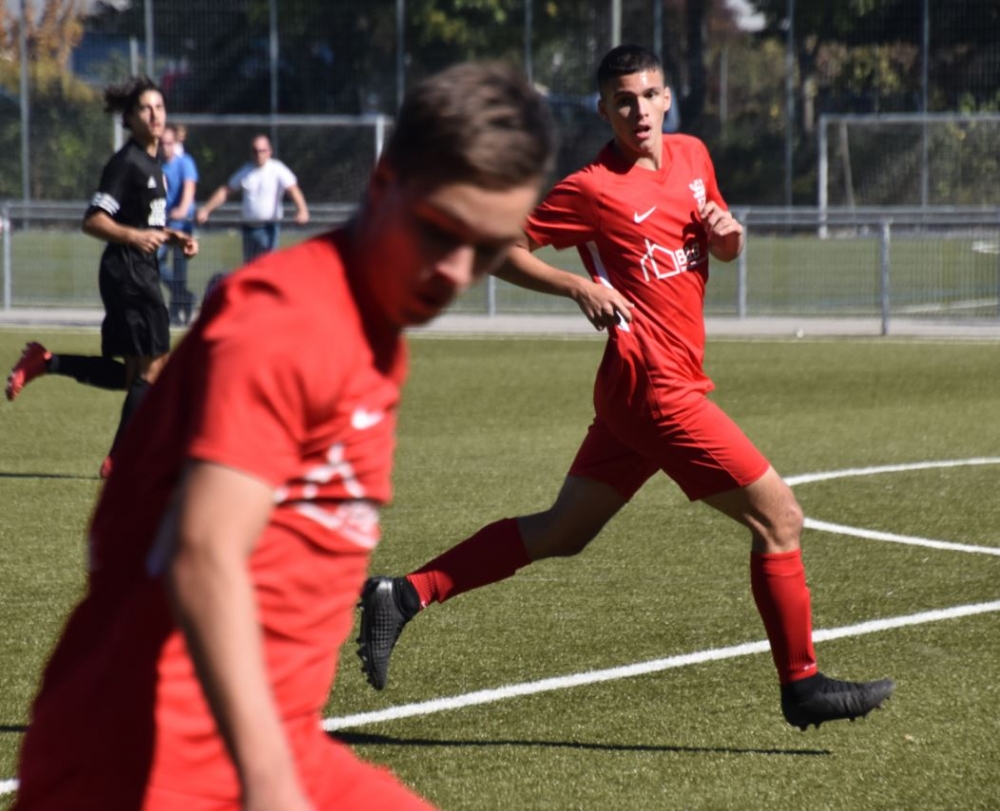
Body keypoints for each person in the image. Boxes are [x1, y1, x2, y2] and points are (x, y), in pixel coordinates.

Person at [13, 61, 555, 810]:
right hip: (152, 761)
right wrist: (271, 785)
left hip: (271, 743)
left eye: (487, 247)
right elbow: (202, 554)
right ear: (385, 182)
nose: (455, 270)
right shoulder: (291, 318)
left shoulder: (372, 329)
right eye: (442, 229)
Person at [357, 45, 894, 732]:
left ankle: (402, 594)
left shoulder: (694, 156)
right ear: (603, 109)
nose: (638, 110)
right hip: (655, 390)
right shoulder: (592, 188)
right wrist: (576, 285)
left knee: (563, 531)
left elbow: (720, 241)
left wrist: (730, 238)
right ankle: (802, 684)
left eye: (648, 95)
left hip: (637, 391)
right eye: (623, 100)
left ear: (666, 98)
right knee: (779, 518)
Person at [5, 76, 197, 478]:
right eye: (145, 108)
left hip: (137, 271)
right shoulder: (126, 163)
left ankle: (46, 361)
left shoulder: (156, 167)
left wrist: (171, 236)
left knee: (134, 375)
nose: (155, 115)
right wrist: (135, 237)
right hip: (128, 272)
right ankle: (119, 460)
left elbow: (142, 222)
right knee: (153, 368)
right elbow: (93, 220)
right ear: (129, 118)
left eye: (159, 107)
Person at [195, 133, 310, 264]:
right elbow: (226, 191)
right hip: (249, 229)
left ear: (269, 151)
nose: (259, 154)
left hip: (269, 228)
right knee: (250, 268)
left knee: (268, 266)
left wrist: (302, 210)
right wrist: (206, 209)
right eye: (255, 151)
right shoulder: (246, 170)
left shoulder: (277, 169)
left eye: (262, 151)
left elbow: (293, 189)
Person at [158, 123, 198, 325]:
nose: (165, 147)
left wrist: (182, 210)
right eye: (162, 143)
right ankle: (185, 296)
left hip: (183, 224)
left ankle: (176, 312)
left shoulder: (185, 162)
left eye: (169, 143)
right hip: (164, 223)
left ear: (175, 143)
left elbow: (189, 188)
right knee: (155, 262)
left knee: (180, 270)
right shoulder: (156, 165)